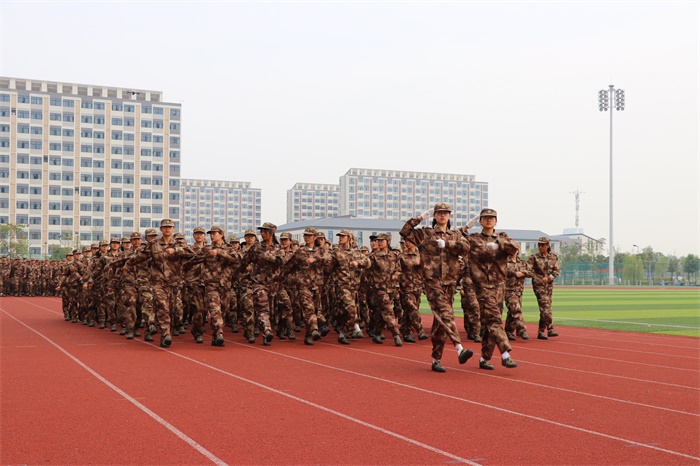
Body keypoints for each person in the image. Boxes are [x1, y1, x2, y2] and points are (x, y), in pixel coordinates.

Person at [400, 203, 473, 372]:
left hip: (450, 282)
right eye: (439, 213)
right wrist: (419, 218)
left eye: (445, 213)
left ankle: (436, 359)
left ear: (449, 216)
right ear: (434, 216)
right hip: (432, 282)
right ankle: (459, 348)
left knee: (440, 322)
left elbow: (466, 248)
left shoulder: (455, 235)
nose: (442, 215)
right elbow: (404, 232)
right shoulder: (425, 234)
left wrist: (448, 244)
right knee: (446, 313)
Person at [461, 208, 519, 370]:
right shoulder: (474, 239)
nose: (488, 220)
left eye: (492, 218)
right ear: (480, 221)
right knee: (494, 320)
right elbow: (457, 238)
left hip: (499, 285)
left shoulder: (502, 237)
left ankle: (484, 358)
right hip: (482, 286)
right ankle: (505, 354)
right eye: (485, 218)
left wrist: (499, 244)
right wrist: (466, 227)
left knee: (490, 323)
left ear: (496, 221)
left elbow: (514, 248)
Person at [527, 237, 561, 340]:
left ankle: (541, 331)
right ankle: (550, 329)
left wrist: (549, 278)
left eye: (542, 245)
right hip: (538, 285)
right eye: (539, 245)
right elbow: (528, 270)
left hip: (549, 286)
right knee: (546, 306)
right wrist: (538, 278)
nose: (540, 247)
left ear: (548, 245)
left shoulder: (554, 257)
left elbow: (556, 271)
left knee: (544, 308)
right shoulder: (534, 257)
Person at [505, 246, 531, 340]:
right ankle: (522, 330)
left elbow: (531, 272)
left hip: (519, 291)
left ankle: (508, 331)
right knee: (516, 309)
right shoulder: (504, 262)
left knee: (512, 312)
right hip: (509, 290)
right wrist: (514, 273)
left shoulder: (522, 263)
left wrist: (523, 273)